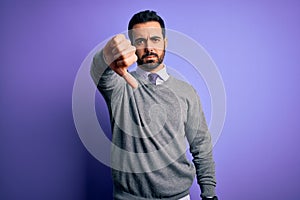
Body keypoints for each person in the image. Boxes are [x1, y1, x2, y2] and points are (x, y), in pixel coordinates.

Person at [90, 10, 218, 200]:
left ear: (165, 43)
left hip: (179, 197)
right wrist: (106, 56)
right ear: (132, 47)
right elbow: (100, 72)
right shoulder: (119, 86)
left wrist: (209, 195)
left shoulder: (186, 92)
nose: (149, 47)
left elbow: (201, 146)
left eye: (155, 39)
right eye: (140, 41)